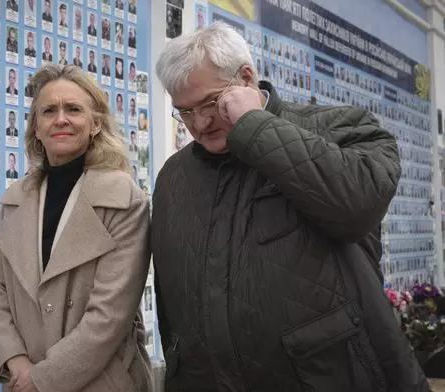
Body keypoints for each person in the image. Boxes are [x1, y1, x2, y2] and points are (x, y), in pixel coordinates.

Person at [151, 23, 426, 391]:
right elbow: (172, 301)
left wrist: (255, 127)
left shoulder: (340, 127)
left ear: (246, 78)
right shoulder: (175, 175)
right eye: (184, 112)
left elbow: (357, 206)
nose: (199, 123)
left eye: (210, 103)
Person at [0, 65, 152, 392]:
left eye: (74, 109)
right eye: (49, 111)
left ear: (95, 124)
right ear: (36, 128)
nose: (61, 119)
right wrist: (16, 363)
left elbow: (109, 316)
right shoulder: (15, 199)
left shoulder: (125, 199)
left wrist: (42, 379)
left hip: (103, 382)